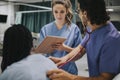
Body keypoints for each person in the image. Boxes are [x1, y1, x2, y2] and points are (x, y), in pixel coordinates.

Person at [47, 0, 120, 80]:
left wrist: (70, 77)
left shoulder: (111, 40)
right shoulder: (92, 27)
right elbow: (80, 49)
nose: (79, 15)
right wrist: (62, 60)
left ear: (85, 14)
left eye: (78, 11)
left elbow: (104, 78)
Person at [39, 0, 82, 75]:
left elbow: (80, 52)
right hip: (50, 70)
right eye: (56, 12)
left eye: (62, 12)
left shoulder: (74, 29)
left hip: (69, 71)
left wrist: (64, 48)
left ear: (66, 11)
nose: (58, 15)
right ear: (52, 12)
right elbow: (41, 52)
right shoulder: (45, 29)